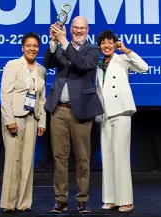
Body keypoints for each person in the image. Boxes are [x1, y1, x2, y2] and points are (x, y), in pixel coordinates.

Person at [44, 16, 103, 213]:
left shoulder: (93, 49)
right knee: (59, 157)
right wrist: (53, 42)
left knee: (82, 158)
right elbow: (47, 62)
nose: (79, 31)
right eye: (75, 28)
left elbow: (83, 65)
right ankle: (60, 200)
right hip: (58, 109)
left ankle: (82, 200)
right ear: (70, 29)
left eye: (82, 28)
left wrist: (63, 42)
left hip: (82, 110)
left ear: (87, 30)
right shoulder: (60, 45)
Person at [95, 30, 148, 213]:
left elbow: (144, 67)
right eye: (103, 43)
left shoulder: (122, 59)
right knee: (107, 156)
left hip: (121, 111)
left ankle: (126, 200)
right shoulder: (98, 63)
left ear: (115, 44)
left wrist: (127, 50)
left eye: (110, 42)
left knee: (121, 156)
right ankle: (110, 198)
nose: (107, 46)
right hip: (104, 113)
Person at [0, 32, 47, 213]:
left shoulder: (41, 70)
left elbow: (42, 98)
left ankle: (25, 202)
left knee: (28, 161)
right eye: (29, 45)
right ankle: (9, 203)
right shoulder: (12, 65)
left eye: (35, 46)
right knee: (13, 160)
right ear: (22, 47)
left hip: (32, 118)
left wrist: (42, 121)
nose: (32, 49)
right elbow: (5, 94)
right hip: (15, 118)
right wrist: (9, 119)